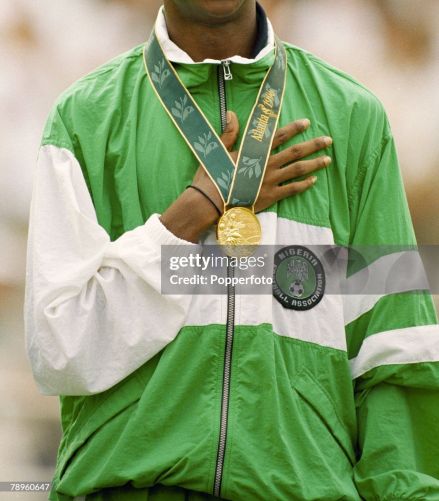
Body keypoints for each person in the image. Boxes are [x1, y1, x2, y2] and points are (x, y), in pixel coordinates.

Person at [24, 1, 439, 500]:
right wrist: (190, 216)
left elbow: (396, 353)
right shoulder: (84, 118)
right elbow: (59, 350)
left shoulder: (353, 120)